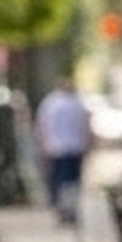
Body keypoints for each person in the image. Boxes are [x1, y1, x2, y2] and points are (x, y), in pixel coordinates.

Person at [34, 82, 93, 225]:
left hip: (56, 148)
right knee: (72, 180)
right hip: (75, 147)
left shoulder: (49, 104)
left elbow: (42, 126)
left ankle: (62, 208)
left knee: (59, 179)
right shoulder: (77, 103)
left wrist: (42, 146)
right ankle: (70, 208)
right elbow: (85, 126)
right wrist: (89, 144)